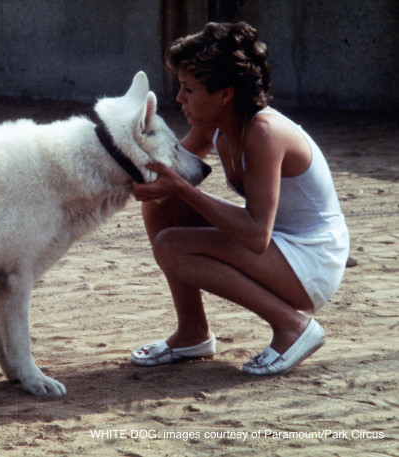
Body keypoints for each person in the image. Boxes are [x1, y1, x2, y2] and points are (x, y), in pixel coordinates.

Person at [129, 22, 349, 375]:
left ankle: (292, 327)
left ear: (224, 94)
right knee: (159, 203)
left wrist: (181, 187)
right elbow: (163, 171)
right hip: (278, 245)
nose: (179, 99)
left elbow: (255, 236)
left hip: (312, 261)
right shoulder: (214, 123)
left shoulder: (264, 133)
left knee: (173, 245)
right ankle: (192, 334)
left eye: (188, 89)